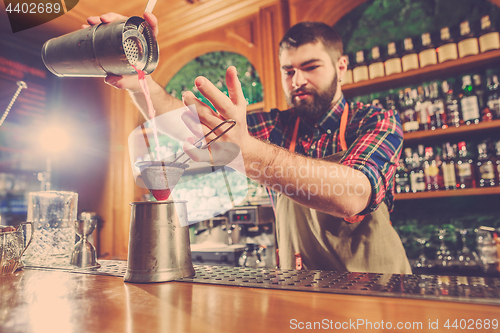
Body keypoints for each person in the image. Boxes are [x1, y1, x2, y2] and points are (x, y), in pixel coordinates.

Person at [86, 13, 411, 274]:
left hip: (377, 291)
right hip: (301, 289)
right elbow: (194, 124)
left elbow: (354, 194)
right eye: (288, 71)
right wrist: (138, 80)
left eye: (310, 67)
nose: (297, 81)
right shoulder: (278, 125)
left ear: (341, 68)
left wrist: (249, 152)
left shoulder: (375, 120)